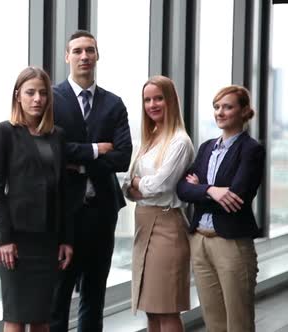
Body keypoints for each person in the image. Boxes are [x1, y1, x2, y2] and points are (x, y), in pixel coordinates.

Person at [50, 30, 132, 332]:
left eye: (90, 50)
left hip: (102, 212)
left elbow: (123, 157)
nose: (84, 56)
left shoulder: (114, 104)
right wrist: (96, 150)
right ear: (67, 56)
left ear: (97, 55)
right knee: (58, 298)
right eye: (78, 51)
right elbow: (53, 150)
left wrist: (78, 163)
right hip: (65, 215)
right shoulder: (53, 100)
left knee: (94, 296)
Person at [0, 66, 74, 332]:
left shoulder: (57, 135)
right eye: (30, 92)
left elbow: (62, 191)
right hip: (16, 240)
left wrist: (65, 239)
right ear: (18, 96)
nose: (37, 99)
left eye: (42, 93)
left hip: (48, 241)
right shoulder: (3, 132)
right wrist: (4, 239)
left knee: (41, 318)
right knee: (15, 316)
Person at [177, 85, 264, 332]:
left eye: (227, 107)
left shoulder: (251, 150)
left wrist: (200, 187)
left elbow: (237, 197)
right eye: (217, 107)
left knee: (238, 321)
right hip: (200, 241)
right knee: (213, 320)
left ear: (244, 111)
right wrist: (211, 190)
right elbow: (182, 188)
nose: (220, 112)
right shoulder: (206, 148)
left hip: (232, 243)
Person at [122, 75, 194, 332]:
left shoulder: (179, 142)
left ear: (170, 100)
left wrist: (139, 185)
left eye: (158, 98)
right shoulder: (147, 139)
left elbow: (160, 185)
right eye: (147, 99)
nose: (152, 104)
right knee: (151, 309)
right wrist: (139, 185)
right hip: (144, 228)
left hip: (167, 227)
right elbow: (126, 186)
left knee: (166, 309)